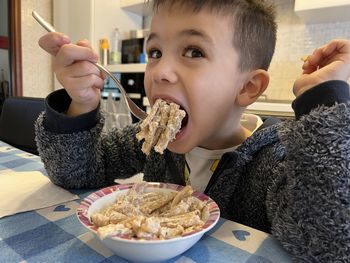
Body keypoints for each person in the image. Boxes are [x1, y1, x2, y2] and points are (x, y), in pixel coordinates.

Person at [35, 0, 350, 261]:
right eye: (155, 52)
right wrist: (80, 104)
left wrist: (325, 99)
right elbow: (75, 175)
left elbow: (326, 243)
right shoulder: (153, 142)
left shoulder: (277, 163)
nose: (160, 72)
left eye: (194, 52)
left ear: (248, 87)